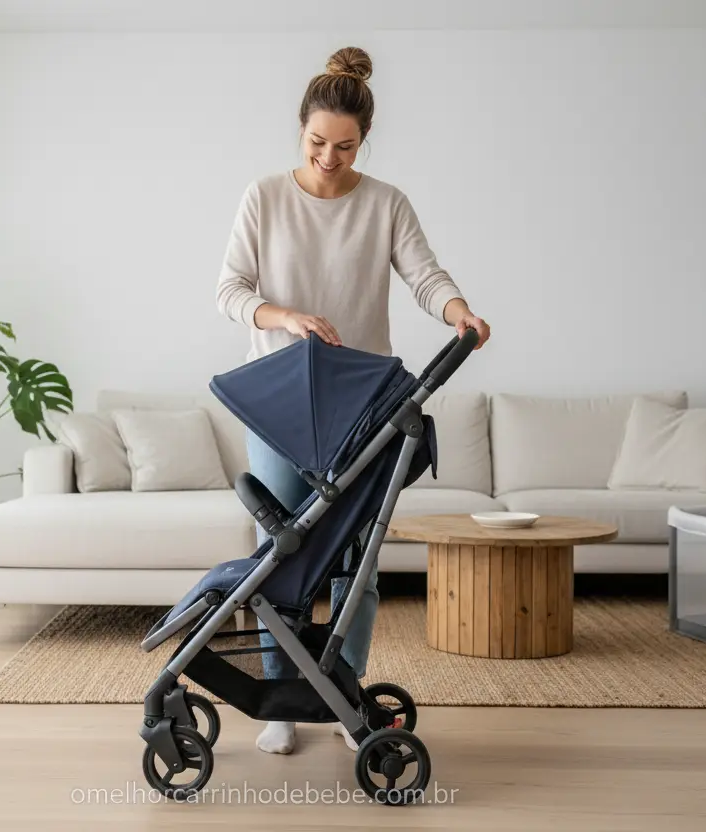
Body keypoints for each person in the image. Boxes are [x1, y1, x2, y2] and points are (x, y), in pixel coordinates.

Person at [214, 46, 491, 755]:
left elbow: (425, 275)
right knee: (278, 557)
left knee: (356, 562)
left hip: (360, 406)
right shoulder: (265, 196)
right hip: (279, 402)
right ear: (299, 131)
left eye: (344, 145)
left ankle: (342, 694)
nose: (329, 157)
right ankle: (279, 701)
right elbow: (231, 292)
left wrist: (458, 310)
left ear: (363, 140)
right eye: (316, 143)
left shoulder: (386, 203)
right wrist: (288, 317)